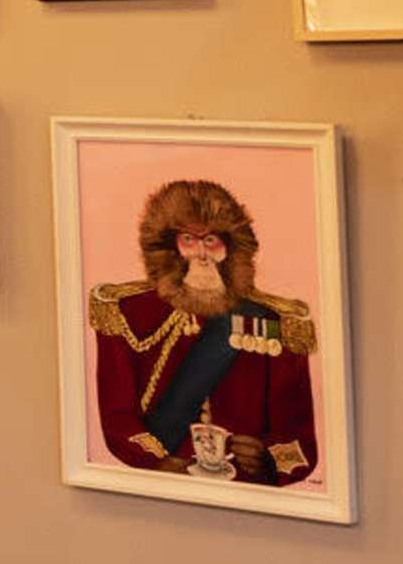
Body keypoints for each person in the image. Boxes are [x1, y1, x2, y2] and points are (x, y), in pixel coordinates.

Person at [89, 178, 319, 486]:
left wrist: (266, 460)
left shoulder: (277, 321)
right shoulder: (127, 311)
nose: (202, 255)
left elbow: (298, 436)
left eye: (211, 241)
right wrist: (159, 464)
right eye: (189, 240)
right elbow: (118, 418)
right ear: (170, 249)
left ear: (231, 250)